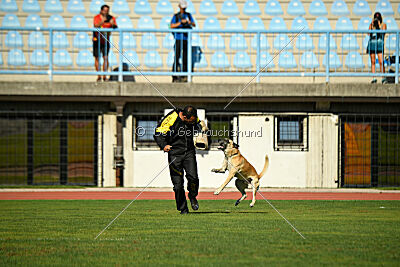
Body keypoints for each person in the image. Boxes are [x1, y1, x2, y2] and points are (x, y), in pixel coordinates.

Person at [154, 106, 207, 214]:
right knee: (178, 185)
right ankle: (183, 209)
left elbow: (199, 123)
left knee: (193, 178)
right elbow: (158, 132)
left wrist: (203, 127)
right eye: (190, 121)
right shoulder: (171, 118)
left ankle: (192, 196)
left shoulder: (192, 118)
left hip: (189, 152)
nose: (192, 123)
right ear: (184, 116)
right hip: (175, 153)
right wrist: (163, 145)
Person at [170, 0, 196, 83]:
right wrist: (180, 23)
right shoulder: (176, 16)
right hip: (178, 38)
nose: (183, 10)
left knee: (185, 58)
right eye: (182, 8)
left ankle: (184, 75)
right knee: (176, 57)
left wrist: (188, 22)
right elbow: (171, 25)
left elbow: (194, 24)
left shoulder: (188, 15)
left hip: (185, 39)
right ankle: (174, 75)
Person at [93, 4, 117, 82]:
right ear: (101, 10)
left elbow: (115, 26)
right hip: (97, 39)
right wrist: (102, 22)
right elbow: (95, 25)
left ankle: (104, 76)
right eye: (104, 10)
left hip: (106, 40)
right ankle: (99, 75)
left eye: (107, 11)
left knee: (105, 58)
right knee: (97, 58)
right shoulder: (97, 17)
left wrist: (112, 23)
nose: (106, 12)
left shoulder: (111, 17)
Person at [367, 12, 387, 84]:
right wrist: (372, 25)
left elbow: (383, 33)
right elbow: (368, 33)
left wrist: (378, 25)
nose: (377, 20)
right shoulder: (371, 25)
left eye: (378, 18)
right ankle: (374, 78)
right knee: (373, 62)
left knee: (381, 62)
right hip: (372, 44)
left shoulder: (383, 25)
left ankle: (383, 78)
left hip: (379, 44)